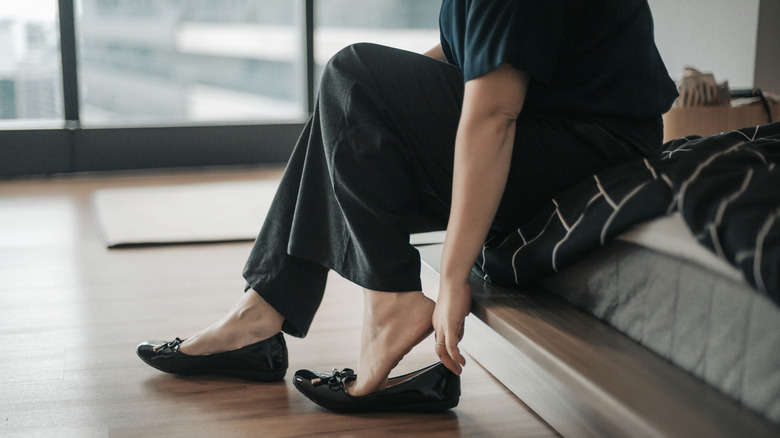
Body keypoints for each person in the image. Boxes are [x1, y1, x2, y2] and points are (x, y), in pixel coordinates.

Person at [137, 0, 678, 412]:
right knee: (348, 96)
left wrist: (452, 278)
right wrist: (365, 117)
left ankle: (391, 304)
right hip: (559, 124)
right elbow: (461, 54)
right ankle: (259, 314)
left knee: (352, 76)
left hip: (590, 149)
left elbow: (493, 116)